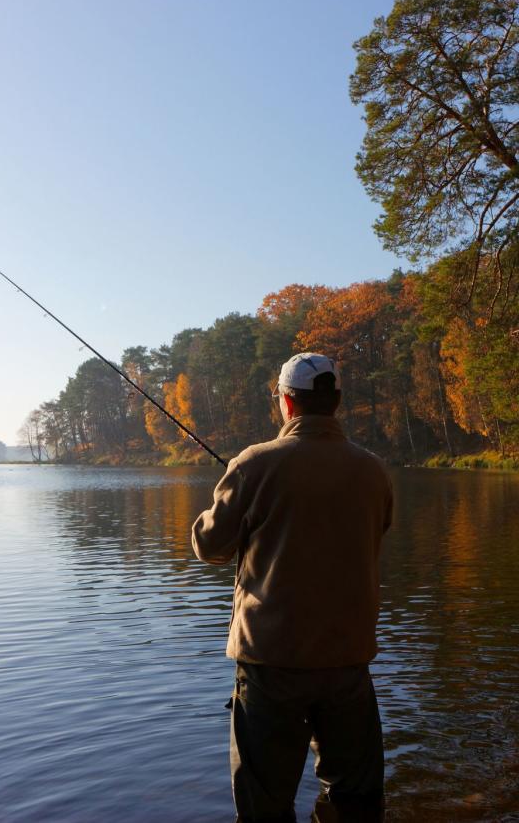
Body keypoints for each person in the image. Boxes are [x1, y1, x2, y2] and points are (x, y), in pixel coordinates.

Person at [192, 352, 394, 822]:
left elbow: (210, 546)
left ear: (286, 402)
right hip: (348, 660)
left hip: (271, 663)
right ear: (337, 401)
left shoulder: (254, 464)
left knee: (265, 804)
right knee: (356, 800)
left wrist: (216, 506)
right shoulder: (373, 471)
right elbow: (376, 530)